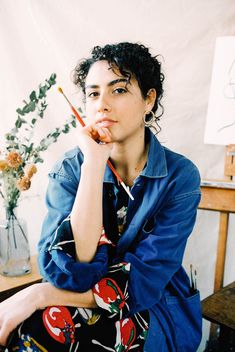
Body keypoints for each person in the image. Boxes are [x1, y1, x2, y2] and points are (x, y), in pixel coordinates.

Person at [0, 42, 202, 352]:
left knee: (43, 332)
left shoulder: (179, 176)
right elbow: (72, 273)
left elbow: (144, 283)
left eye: (118, 90)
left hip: (150, 309)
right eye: (93, 94)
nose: (102, 104)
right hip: (76, 297)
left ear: (149, 99)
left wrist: (39, 295)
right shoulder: (70, 170)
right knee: (25, 331)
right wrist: (93, 165)